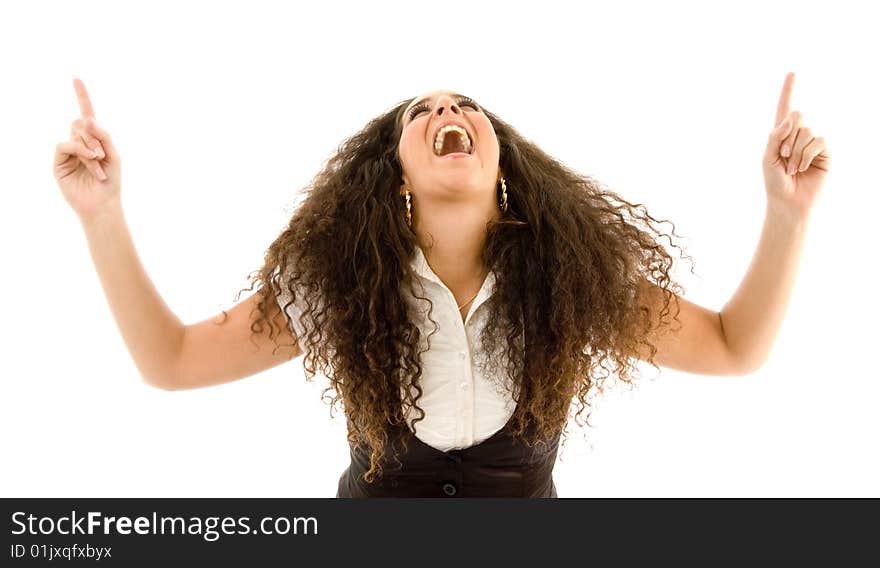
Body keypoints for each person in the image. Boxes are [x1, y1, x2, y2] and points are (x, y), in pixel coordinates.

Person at [53, 74, 830, 497]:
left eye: (464, 107)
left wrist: (787, 215)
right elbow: (173, 361)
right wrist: (102, 215)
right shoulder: (336, 283)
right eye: (422, 112)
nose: (447, 111)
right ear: (395, 175)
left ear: (502, 166)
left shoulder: (572, 278)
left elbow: (733, 348)